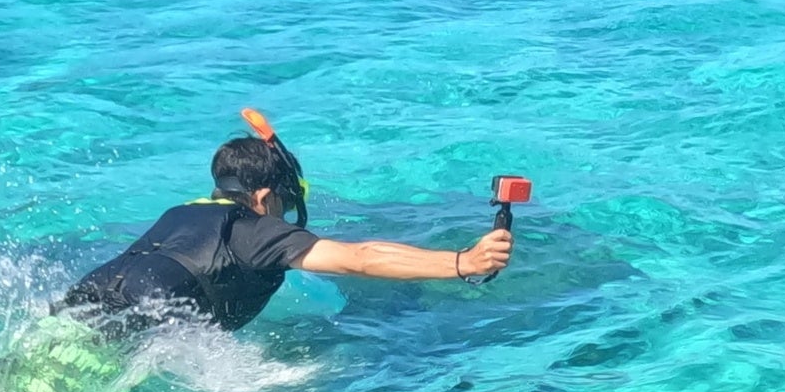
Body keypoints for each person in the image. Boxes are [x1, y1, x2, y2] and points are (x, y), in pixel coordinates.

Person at [58, 111, 509, 333]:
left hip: (81, 298)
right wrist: (463, 262)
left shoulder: (180, 214)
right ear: (263, 197)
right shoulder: (257, 229)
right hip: (137, 319)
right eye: (283, 202)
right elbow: (361, 258)